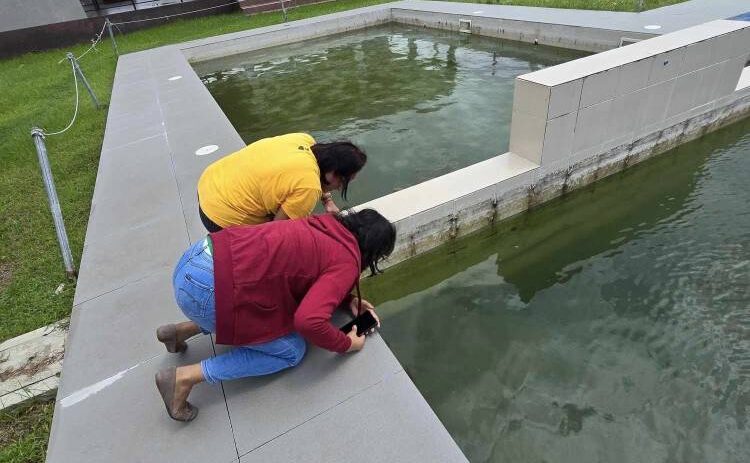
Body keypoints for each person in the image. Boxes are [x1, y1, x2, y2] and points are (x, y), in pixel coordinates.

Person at [154, 209, 396, 422]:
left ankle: (179, 331)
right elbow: (308, 321)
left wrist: (349, 299)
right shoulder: (347, 262)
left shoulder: (326, 224)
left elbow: (305, 272)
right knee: (291, 349)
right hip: (208, 290)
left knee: (262, 290)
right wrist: (346, 344)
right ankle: (185, 378)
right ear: (373, 253)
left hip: (196, 259)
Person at [196, 133, 367, 232]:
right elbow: (276, 232)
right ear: (335, 174)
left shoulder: (303, 140)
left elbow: (310, 173)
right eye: (344, 181)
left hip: (209, 183)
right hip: (219, 217)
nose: (340, 186)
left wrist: (327, 201)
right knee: (291, 237)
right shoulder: (308, 188)